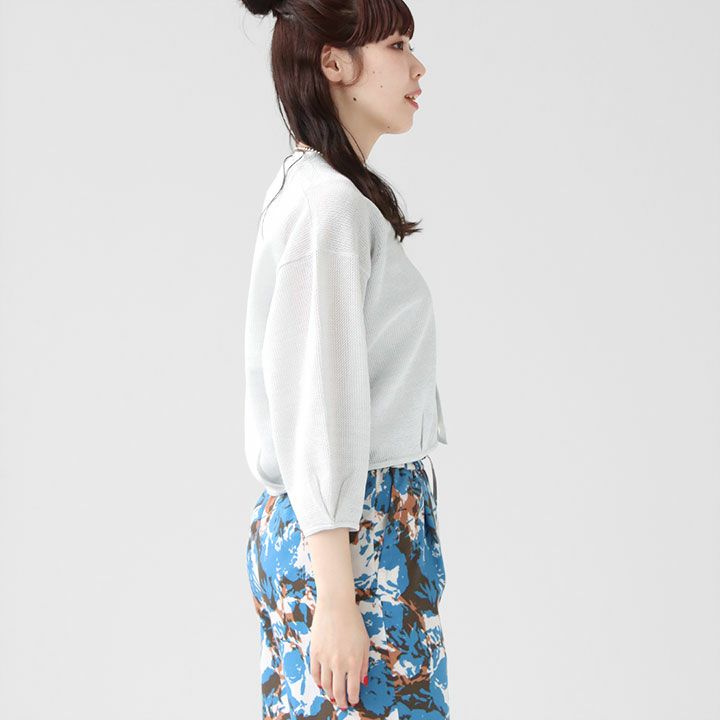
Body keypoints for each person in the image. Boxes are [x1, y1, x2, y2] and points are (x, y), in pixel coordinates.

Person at [240, 0, 450, 717]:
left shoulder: (326, 196)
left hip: (351, 532)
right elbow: (318, 402)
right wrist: (337, 598)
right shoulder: (327, 207)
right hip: (353, 538)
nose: (417, 67)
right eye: (397, 45)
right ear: (333, 62)